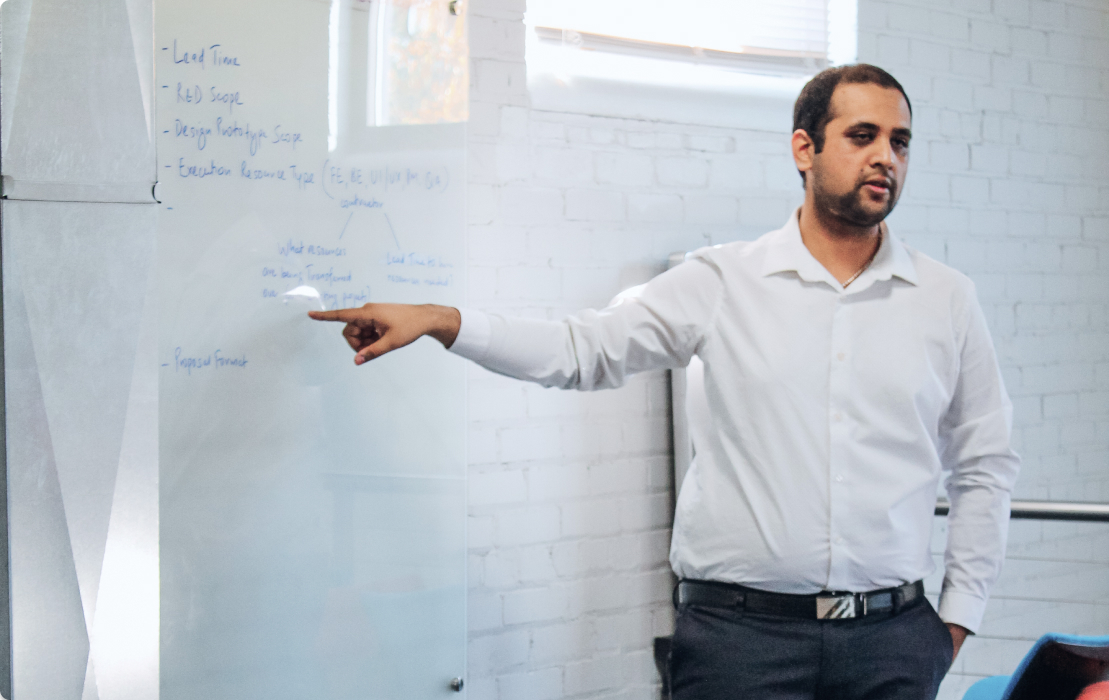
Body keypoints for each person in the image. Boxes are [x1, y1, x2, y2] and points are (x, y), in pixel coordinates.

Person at [310, 64, 1020, 699]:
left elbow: (983, 464)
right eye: (861, 135)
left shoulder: (945, 298)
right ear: (803, 148)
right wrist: (444, 319)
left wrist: (955, 620)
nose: (883, 157)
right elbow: (581, 350)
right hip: (741, 647)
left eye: (898, 142)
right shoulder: (721, 281)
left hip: (890, 647)